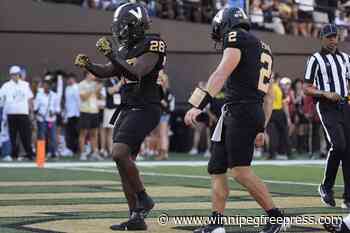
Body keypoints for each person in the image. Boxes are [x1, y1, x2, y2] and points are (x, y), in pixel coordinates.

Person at [184, 7, 286, 233]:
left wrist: (197, 105)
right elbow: (268, 96)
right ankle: (217, 223)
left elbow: (220, 73)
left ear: (226, 24)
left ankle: (276, 216)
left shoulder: (236, 37)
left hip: (242, 110)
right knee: (217, 167)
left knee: (240, 171)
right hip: (242, 110)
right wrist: (262, 126)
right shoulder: (264, 47)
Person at [74, 2, 167, 230]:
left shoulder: (153, 43)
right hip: (127, 108)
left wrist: (112, 55)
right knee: (123, 164)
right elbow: (108, 71)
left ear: (136, 25)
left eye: (124, 27)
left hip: (146, 107)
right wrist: (90, 65)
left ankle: (144, 198)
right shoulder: (125, 50)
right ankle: (136, 217)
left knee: (119, 152)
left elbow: (136, 71)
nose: (120, 32)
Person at [304, 23, 350, 209]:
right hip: (326, 106)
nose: (333, 40)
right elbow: (306, 88)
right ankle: (326, 187)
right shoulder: (315, 59)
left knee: (349, 151)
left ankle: (348, 197)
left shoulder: (346, 58)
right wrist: (325, 93)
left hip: (344, 105)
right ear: (322, 38)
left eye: (335, 37)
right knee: (338, 145)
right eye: (329, 37)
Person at [0, 65, 35, 161]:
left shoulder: (25, 84)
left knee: (26, 135)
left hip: (23, 113)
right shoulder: (6, 85)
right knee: (12, 135)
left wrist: (31, 112)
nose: (15, 76)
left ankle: (29, 154)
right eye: (13, 74)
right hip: (11, 113)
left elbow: (30, 99)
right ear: (10, 75)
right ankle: (13, 154)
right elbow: (1, 98)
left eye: (16, 74)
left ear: (19, 74)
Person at [78, 72, 103, 161]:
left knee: (94, 133)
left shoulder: (95, 84)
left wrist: (99, 91)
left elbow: (99, 97)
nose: (94, 76)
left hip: (94, 111)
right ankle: (82, 153)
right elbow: (83, 97)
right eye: (92, 74)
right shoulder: (81, 84)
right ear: (87, 75)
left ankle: (95, 152)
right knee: (83, 133)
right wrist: (93, 89)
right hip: (85, 111)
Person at [34, 78, 60, 159]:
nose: (46, 87)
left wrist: (54, 112)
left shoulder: (55, 96)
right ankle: (41, 154)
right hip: (41, 119)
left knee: (53, 136)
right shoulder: (39, 95)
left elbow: (58, 109)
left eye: (48, 85)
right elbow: (35, 108)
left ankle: (53, 153)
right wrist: (39, 114)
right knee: (41, 136)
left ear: (51, 86)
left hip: (51, 120)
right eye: (45, 85)